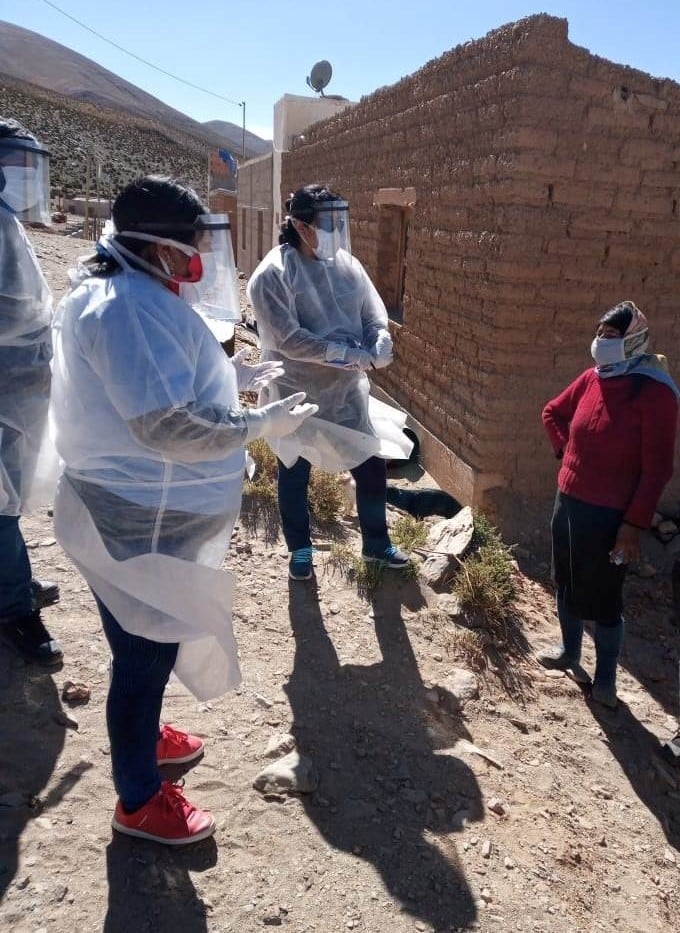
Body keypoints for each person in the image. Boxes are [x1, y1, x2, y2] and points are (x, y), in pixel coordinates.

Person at [50, 175, 316, 845]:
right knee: (142, 657)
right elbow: (167, 423)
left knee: (142, 640)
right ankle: (138, 798)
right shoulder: (126, 309)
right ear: (157, 248)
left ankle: (145, 738)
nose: (200, 259)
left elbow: (172, 374)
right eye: (191, 245)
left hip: (139, 513)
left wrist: (240, 380)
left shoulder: (132, 293)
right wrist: (256, 424)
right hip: (141, 518)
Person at [247, 184, 413, 580]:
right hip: (295, 390)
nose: (336, 231)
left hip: (344, 394)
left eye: (340, 221)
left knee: (370, 465)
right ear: (301, 226)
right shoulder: (272, 275)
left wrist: (380, 339)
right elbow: (289, 340)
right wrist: (352, 356)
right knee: (295, 469)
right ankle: (300, 550)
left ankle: (376, 544)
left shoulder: (346, 265)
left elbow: (372, 312)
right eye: (328, 223)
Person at [539, 301, 678, 708]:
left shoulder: (655, 394)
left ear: (634, 340)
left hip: (612, 517)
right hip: (568, 503)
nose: (602, 342)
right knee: (564, 580)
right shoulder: (592, 379)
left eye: (612, 336)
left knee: (605, 598)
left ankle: (605, 681)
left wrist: (633, 526)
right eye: (600, 334)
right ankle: (569, 652)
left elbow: (657, 471)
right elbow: (552, 412)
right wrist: (566, 453)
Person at [0, 117, 61, 665]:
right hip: (3, 391)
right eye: (14, 166)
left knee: (8, 499)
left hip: (17, 388)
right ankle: (14, 609)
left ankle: (14, 581)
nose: (25, 178)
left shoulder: (7, 223)